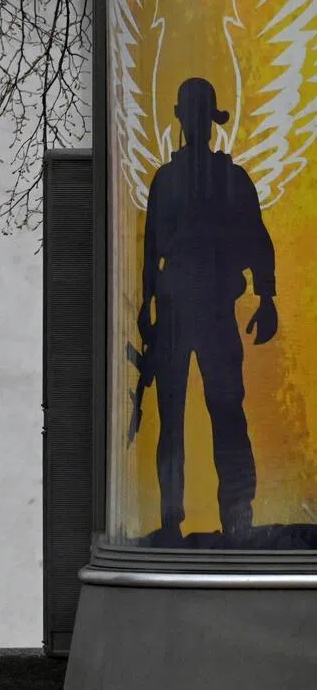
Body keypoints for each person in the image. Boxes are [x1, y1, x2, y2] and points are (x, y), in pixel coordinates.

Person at [138, 77, 277, 542]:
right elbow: (151, 249)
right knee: (179, 418)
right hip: (178, 311)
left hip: (208, 309)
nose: (195, 124)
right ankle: (178, 519)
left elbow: (257, 239)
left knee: (224, 413)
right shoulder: (173, 179)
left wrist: (267, 296)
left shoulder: (226, 180)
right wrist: (146, 307)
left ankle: (237, 518)